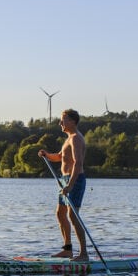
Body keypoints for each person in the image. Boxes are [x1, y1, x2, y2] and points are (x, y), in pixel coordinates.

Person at [38, 109, 88, 261]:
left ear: (72, 121)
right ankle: (67, 249)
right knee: (60, 213)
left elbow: (78, 163)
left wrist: (70, 185)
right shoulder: (68, 139)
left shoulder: (76, 139)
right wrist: (46, 155)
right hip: (65, 180)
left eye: (63, 120)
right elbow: (59, 157)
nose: (60, 123)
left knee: (73, 216)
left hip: (75, 179)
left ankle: (83, 254)